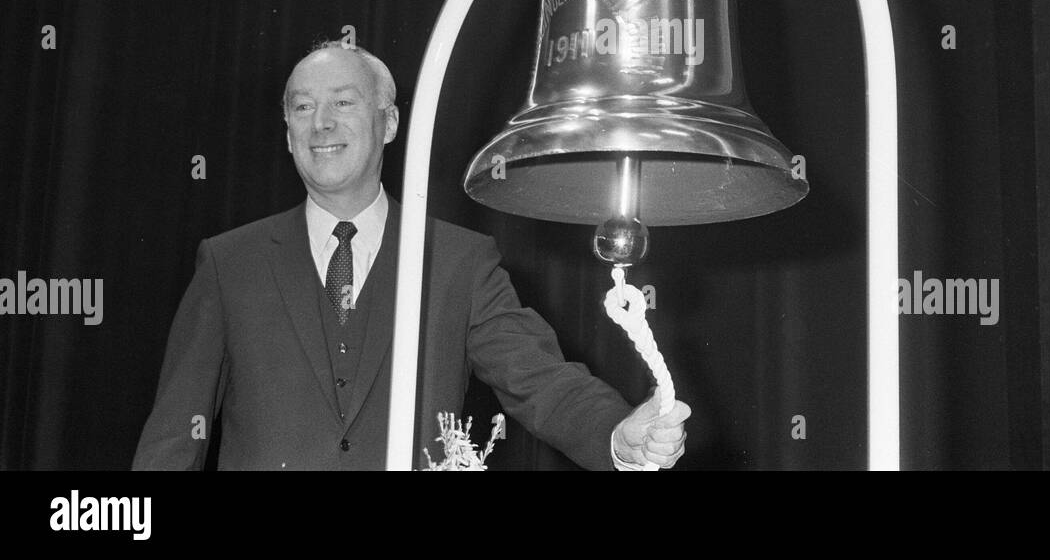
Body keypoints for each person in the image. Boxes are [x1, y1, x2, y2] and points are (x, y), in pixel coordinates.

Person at [133, 41, 689, 470]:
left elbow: (541, 381)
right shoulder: (230, 264)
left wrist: (617, 435)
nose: (320, 123)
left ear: (390, 122)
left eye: (343, 103)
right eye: (302, 107)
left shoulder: (459, 262)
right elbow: (173, 439)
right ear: (287, 133)